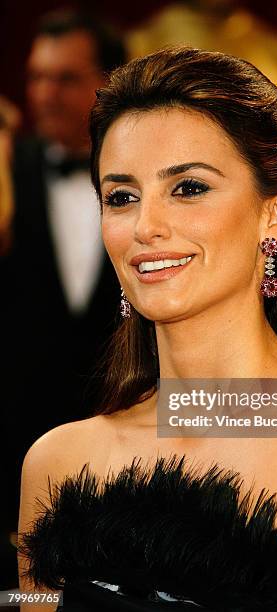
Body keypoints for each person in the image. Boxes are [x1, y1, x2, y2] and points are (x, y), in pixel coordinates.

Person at [17, 47, 277, 611]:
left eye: (189, 188)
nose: (146, 227)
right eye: (121, 197)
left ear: (276, 211)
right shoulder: (59, 461)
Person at [0, 10, 127, 580]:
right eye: (36, 78)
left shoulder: (147, 179)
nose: (46, 95)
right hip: (9, 451)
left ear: (110, 80)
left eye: (66, 78)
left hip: (125, 452)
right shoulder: (5, 171)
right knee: (24, 596)